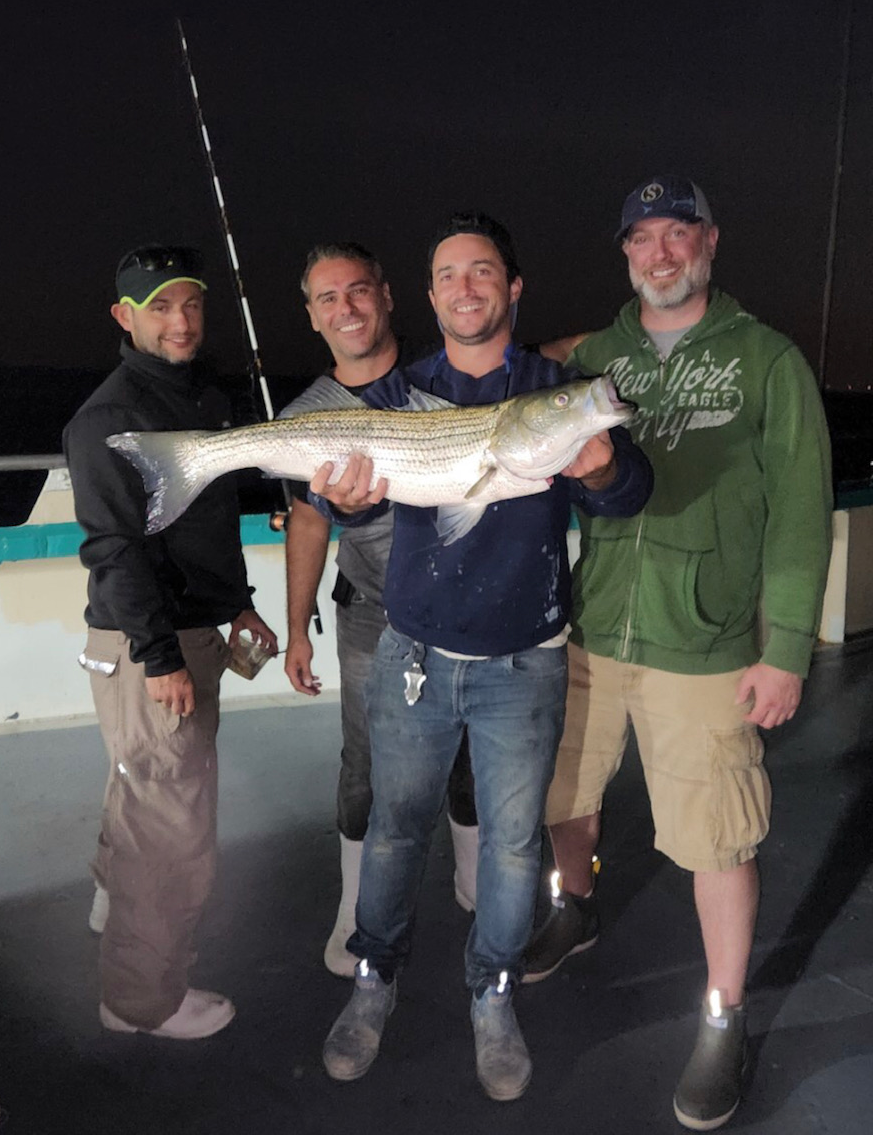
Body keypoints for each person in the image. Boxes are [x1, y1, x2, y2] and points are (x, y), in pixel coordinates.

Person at [315, 212, 653, 1100]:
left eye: (483, 272)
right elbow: (354, 503)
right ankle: (371, 981)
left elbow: (629, 493)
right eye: (449, 275)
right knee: (393, 830)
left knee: (511, 847)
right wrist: (345, 502)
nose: (466, 288)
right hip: (413, 657)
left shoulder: (557, 389)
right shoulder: (397, 396)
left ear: (512, 287)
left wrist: (601, 464)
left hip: (525, 666)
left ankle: (493, 994)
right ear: (429, 298)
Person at [526, 177, 833, 1130]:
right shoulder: (599, 358)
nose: (661, 255)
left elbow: (799, 515)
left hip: (703, 645)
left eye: (678, 235)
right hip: (593, 626)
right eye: (642, 239)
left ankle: (723, 1012)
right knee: (563, 795)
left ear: (709, 241)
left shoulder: (767, 361)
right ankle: (573, 904)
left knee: (717, 838)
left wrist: (784, 650)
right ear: (623, 253)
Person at [63, 245, 276, 1040]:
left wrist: (242, 606)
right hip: (145, 642)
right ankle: (140, 1003)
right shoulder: (107, 420)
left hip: (192, 629)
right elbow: (113, 549)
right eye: (159, 306)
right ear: (125, 317)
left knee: (145, 789)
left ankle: (113, 908)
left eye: (190, 303)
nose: (181, 320)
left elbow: (207, 530)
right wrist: (158, 658)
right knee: (172, 827)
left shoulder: (205, 399)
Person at [281, 243, 478, 977]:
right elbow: (307, 522)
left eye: (359, 290)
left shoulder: (441, 383)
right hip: (366, 614)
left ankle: (473, 883)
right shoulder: (309, 415)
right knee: (362, 768)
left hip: (457, 610)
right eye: (328, 298)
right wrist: (297, 627)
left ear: (388, 295)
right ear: (312, 316)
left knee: (467, 759)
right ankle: (355, 908)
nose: (347, 309)